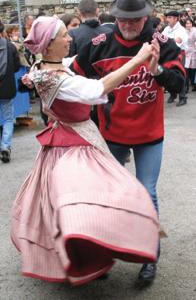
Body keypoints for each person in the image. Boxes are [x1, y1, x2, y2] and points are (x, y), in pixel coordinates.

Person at [11, 15, 159, 286]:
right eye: (64, 36)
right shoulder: (52, 77)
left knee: (66, 204)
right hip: (74, 145)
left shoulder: (47, 66)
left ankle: (92, 251)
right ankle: (94, 253)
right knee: (96, 199)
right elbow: (97, 89)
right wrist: (137, 60)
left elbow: (69, 67)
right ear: (48, 44)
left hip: (68, 139)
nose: (70, 38)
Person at [69, 0, 186, 283]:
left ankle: (149, 258)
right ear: (115, 16)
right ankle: (101, 257)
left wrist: (157, 70)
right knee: (105, 197)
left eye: (135, 19)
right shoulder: (99, 43)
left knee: (146, 193)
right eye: (123, 19)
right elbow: (76, 82)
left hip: (149, 134)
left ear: (146, 17)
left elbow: (180, 85)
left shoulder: (161, 42)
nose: (128, 25)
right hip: (111, 135)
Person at [0, 19, 21, 162]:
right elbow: (17, 66)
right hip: (6, 87)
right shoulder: (10, 46)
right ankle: (5, 146)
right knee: (8, 118)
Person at [162, 10, 188, 106]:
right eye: (167, 18)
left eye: (169, 18)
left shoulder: (181, 30)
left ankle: (183, 97)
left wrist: (166, 41)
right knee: (167, 75)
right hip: (168, 54)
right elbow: (161, 39)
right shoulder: (166, 29)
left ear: (176, 18)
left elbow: (178, 40)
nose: (167, 20)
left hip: (179, 54)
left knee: (180, 75)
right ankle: (173, 94)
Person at [184, 17, 196, 92]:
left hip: (193, 50)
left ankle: (193, 84)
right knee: (186, 67)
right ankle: (186, 86)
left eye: (190, 23)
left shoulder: (195, 30)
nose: (188, 25)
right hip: (186, 50)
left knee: (193, 68)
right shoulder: (183, 31)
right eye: (187, 23)